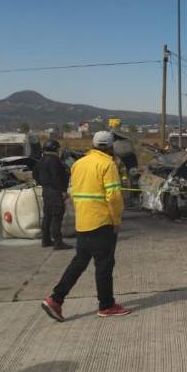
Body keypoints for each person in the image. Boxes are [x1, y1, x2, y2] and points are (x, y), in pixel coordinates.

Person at [41, 131, 131, 321]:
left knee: (79, 263)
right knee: (104, 265)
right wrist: (116, 220)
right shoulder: (107, 164)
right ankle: (106, 305)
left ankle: (55, 299)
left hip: (83, 222)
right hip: (102, 222)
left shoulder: (78, 164)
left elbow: (75, 190)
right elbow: (114, 196)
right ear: (110, 147)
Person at [35, 139, 72, 250]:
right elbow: (57, 177)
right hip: (55, 192)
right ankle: (58, 243)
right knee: (56, 217)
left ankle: (45, 240)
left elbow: (35, 174)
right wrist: (63, 191)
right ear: (54, 149)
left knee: (47, 216)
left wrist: (43, 184)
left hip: (46, 191)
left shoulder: (41, 160)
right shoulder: (55, 161)